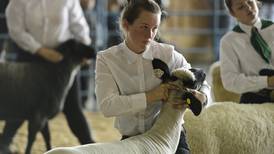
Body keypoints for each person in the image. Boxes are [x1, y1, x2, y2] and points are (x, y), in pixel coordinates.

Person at [95, 0, 210, 153]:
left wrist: (203, 97)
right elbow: (107, 106)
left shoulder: (168, 54)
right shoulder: (107, 59)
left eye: (155, 28)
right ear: (126, 25)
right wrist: (151, 96)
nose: (150, 35)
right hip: (133, 139)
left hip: (170, 138)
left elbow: (202, 83)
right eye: (144, 27)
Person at [0, 0, 95, 151]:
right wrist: (40, 50)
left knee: (73, 106)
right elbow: (16, 30)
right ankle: (4, 143)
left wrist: (84, 48)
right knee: (21, 101)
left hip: (62, 60)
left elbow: (78, 24)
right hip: (30, 56)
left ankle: (90, 144)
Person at [220, 0, 274, 104]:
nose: (248, 8)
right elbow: (230, 81)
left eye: (250, 2)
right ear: (232, 13)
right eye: (240, 7)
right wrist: (267, 81)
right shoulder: (228, 41)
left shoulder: (272, 28)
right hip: (254, 99)